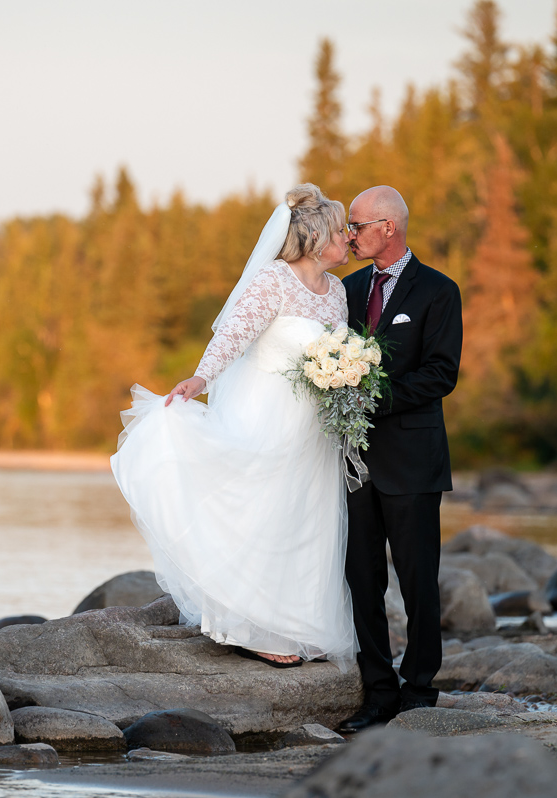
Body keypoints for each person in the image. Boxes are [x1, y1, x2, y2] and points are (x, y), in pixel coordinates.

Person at [110, 184, 358, 671]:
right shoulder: (273, 281)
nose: (348, 237)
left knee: (306, 519)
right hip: (268, 413)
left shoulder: (338, 293)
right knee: (260, 512)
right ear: (315, 237)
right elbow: (233, 334)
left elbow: (340, 356)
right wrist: (200, 378)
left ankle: (299, 626)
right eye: (340, 229)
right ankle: (247, 626)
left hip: (314, 429)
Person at [336, 185, 463, 732]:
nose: (350, 235)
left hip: (412, 460)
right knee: (361, 581)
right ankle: (377, 693)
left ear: (389, 227)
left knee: (417, 581)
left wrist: (371, 396)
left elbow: (441, 374)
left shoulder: (438, 291)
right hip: (353, 463)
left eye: (358, 226)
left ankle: (418, 691)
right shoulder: (346, 289)